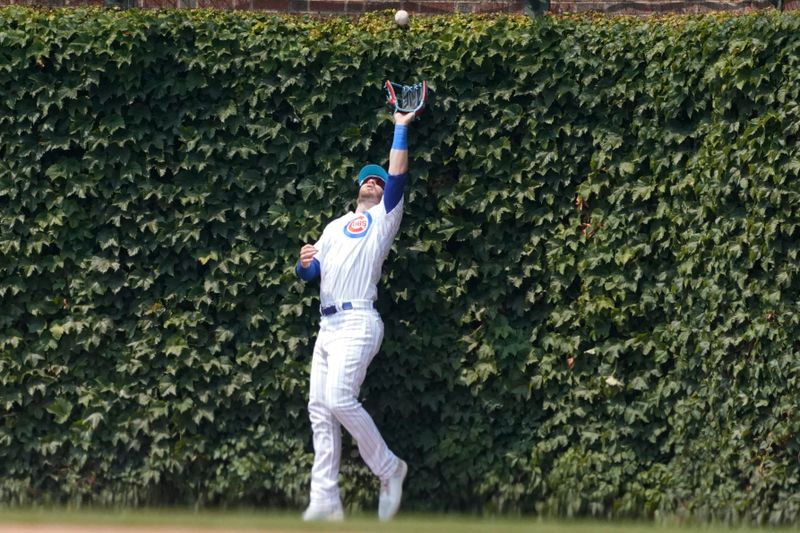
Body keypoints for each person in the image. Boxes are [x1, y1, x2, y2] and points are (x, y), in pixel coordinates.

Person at [295, 111, 416, 522]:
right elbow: (313, 273)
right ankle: (325, 501)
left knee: (339, 399)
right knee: (319, 408)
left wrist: (401, 124)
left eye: (378, 180)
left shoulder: (384, 218)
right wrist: (303, 263)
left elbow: (398, 177)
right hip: (327, 325)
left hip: (358, 321)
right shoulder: (334, 226)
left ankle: (389, 468)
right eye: (368, 178)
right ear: (357, 187)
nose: (373, 181)